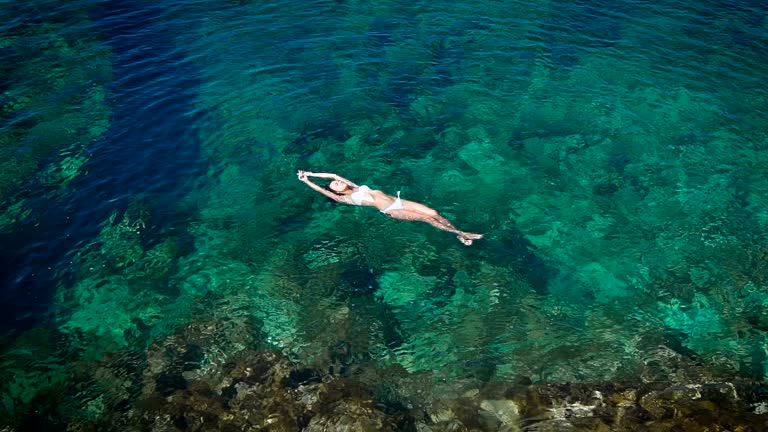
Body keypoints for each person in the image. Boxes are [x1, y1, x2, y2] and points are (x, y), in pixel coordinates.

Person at [297, 170, 483, 245]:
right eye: (335, 185)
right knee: (427, 219)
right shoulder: (346, 199)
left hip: (399, 200)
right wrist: (307, 181)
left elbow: (333, 173)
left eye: (337, 182)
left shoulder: (354, 186)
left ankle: (458, 232)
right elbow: (324, 191)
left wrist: (312, 173)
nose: (336, 182)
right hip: (392, 210)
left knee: (434, 213)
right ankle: (460, 233)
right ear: (336, 193)